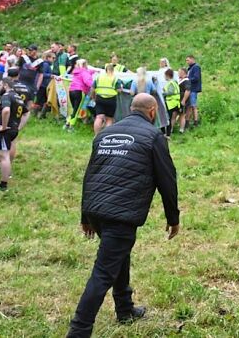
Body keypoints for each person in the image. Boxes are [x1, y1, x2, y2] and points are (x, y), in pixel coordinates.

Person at [67, 93, 180, 338]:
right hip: (121, 213)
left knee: (118, 254)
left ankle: (125, 309)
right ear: (153, 111)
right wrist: (173, 218)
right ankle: (79, 330)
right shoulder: (153, 136)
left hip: (97, 210)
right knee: (103, 271)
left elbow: (90, 175)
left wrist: (86, 216)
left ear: (131, 109)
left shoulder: (105, 134)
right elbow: (167, 179)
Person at [91, 64, 121, 135]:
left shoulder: (98, 77)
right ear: (113, 70)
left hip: (99, 98)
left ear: (105, 70)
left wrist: (93, 97)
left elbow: (92, 88)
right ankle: (106, 135)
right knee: (109, 119)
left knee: (99, 117)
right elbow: (119, 90)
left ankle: (96, 135)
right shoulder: (115, 78)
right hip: (111, 100)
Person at [66, 58, 93, 130]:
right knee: (77, 110)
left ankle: (67, 123)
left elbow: (88, 72)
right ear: (85, 65)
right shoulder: (84, 72)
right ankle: (71, 126)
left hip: (71, 90)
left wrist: (93, 72)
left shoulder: (76, 72)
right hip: (79, 91)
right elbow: (88, 81)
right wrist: (94, 86)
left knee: (74, 109)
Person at [162, 68, 180, 138]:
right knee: (170, 118)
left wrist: (163, 93)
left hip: (171, 103)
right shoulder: (174, 82)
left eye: (165, 75)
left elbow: (170, 92)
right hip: (175, 103)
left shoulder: (171, 83)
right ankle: (168, 133)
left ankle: (167, 134)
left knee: (167, 119)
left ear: (167, 75)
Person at [185, 55, 201, 127]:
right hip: (190, 89)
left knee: (193, 105)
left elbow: (196, 78)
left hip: (193, 89)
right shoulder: (190, 68)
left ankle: (195, 121)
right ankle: (187, 121)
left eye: (188, 60)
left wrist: (187, 79)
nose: (187, 62)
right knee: (189, 106)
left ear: (192, 59)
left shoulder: (196, 67)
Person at [177, 68, 191, 134]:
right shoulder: (180, 80)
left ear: (183, 73)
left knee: (182, 114)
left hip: (183, 100)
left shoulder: (186, 81)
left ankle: (181, 129)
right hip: (178, 100)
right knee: (179, 114)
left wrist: (183, 100)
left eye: (179, 72)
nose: (178, 73)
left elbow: (188, 90)